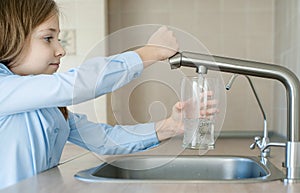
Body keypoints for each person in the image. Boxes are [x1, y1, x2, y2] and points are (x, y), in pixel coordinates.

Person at [0, 0, 183, 189]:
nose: (61, 50)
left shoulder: (50, 106)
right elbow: (76, 85)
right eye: (48, 38)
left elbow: (103, 139)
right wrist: (149, 53)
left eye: (58, 39)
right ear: (11, 37)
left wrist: (170, 126)